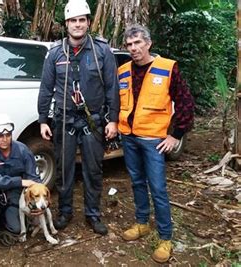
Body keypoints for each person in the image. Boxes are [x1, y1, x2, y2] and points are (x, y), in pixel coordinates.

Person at [37, 0, 119, 235]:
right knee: (64, 169)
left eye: (82, 20)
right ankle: (65, 212)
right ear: (67, 24)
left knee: (93, 170)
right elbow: (46, 88)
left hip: (93, 120)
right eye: (73, 20)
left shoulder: (101, 50)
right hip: (64, 120)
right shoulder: (55, 53)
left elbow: (112, 87)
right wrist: (43, 119)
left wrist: (112, 119)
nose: (78, 24)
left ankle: (93, 214)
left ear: (88, 23)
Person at [118, 24, 194, 263]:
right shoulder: (122, 71)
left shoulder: (167, 67)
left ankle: (165, 237)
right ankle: (142, 223)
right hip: (128, 137)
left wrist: (176, 135)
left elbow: (185, 103)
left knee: (158, 189)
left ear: (148, 43)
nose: (133, 48)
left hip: (153, 140)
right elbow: (116, 102)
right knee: (137, 182)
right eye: (129, 44)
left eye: (138, 43)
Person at [0, 113, 41, 240]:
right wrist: (20, 182)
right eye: (0, 136)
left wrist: (39, 203)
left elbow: (34, 180)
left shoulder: (23, 150)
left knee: (16, 229)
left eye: (8, 135)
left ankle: (8, 216)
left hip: (14, 194)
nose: (4, 139)